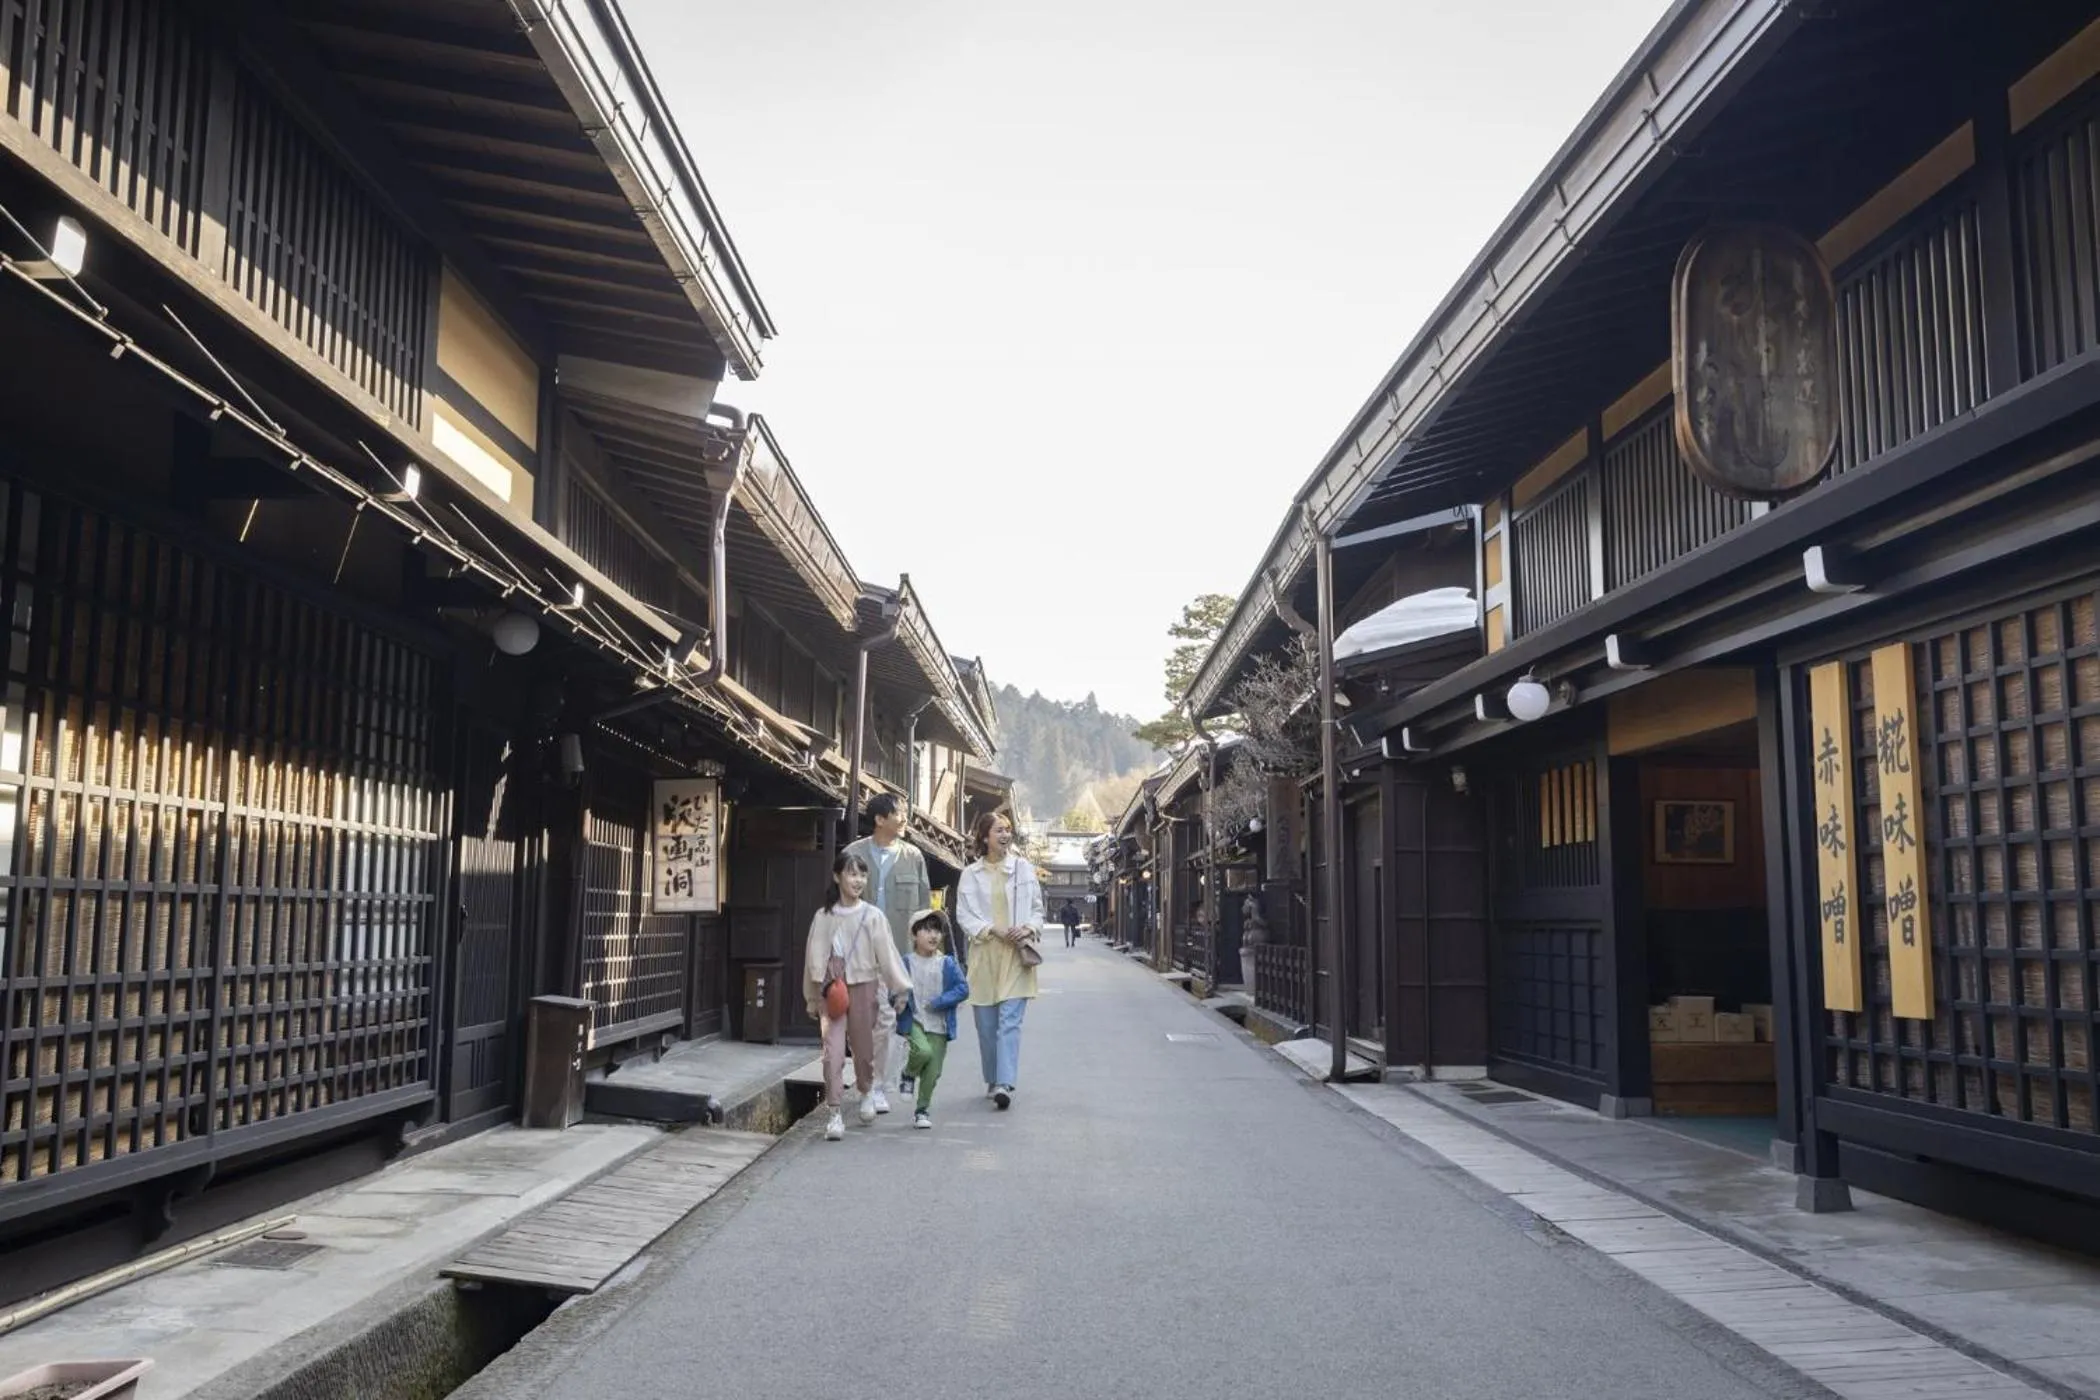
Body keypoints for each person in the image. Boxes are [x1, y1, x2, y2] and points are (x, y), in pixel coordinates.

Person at [802, 852, 910, 1142]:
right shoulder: (823, 916)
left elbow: (887, 956)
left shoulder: (873, 915)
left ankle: (866, 1091)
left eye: (862, 875)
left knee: (863, 1049)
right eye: (851, 874)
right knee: (832, 1052)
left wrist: (898, 988)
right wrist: (812, 997)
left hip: (864, 985)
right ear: (837, 877)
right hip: (832, 987)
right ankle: (835, 1113)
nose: (858, 880)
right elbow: (812, 961)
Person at [842, 793, 930, 1113]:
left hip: (896, 953)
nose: (904, 818)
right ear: (880, 819)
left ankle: (876, 1085)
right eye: (899, 813)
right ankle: (866, 1078)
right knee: (859, 1020)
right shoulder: (853, 853)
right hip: (858, 950)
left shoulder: (914, 857)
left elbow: (922, 911)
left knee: (886, 1018)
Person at [956, 810, 1043, 1110]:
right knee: (986, 1025)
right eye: (999, 830)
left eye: (1008, 830)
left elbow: (1037, 908)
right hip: (985, 955)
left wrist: (1028, 928)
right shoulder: (970, 874)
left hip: (1016, 956)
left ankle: (1005, 1082)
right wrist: (992, 928)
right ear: (984, 837)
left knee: (1010, 1023)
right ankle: (993, 1078)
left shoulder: (1022, 868)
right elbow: (964, 915)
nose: (1006, 835)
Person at [896, 908, 969, 1129]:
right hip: (915, 1019)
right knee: (923, 1051)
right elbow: (895, 986)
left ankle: (922, 1110)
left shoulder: (946, 962)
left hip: (940, 1023)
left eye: (937, 930)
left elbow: (963, 989)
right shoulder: (906, 961)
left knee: (933, 1071)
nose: (933, 935)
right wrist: (897, 1000)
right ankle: (908, 1074)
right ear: (914, 934)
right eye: (927, 930)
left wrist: (940, 1001)